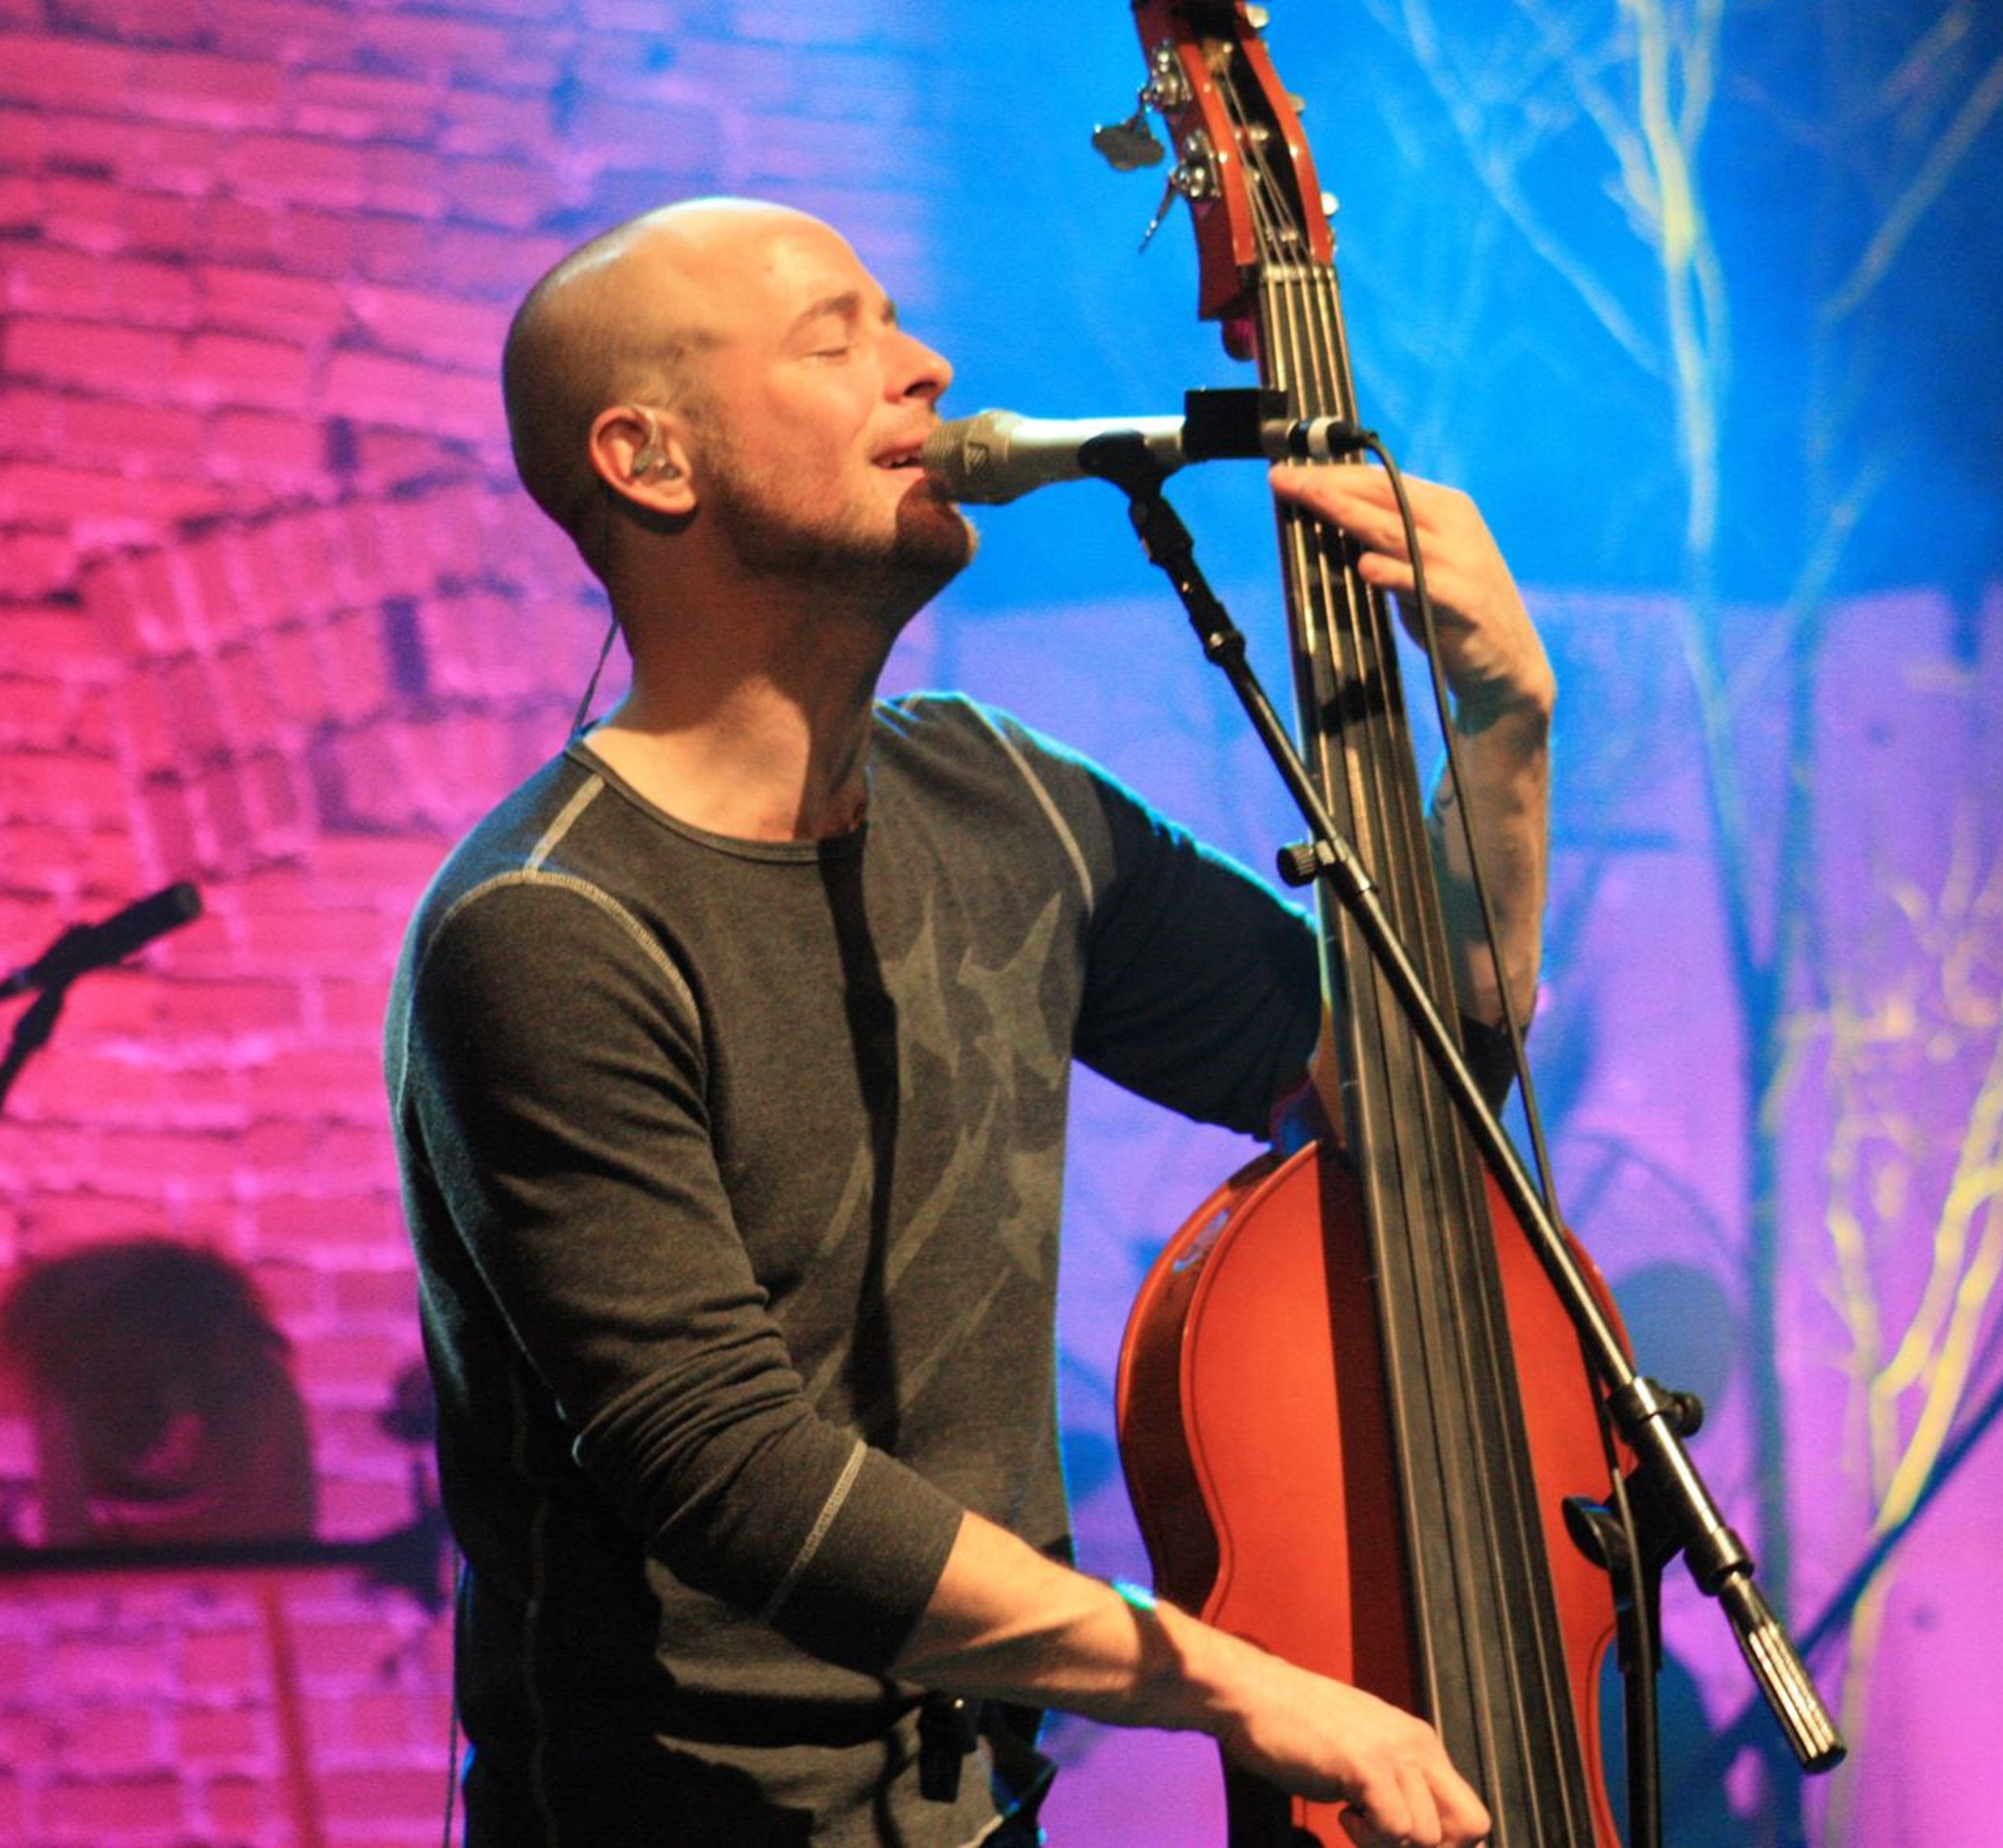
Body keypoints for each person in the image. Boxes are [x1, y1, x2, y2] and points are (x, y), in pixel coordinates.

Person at [385, 196, 1553, 1848]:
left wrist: (1501, 735)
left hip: (972, 1810)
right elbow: (733, 1472)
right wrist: (1239, 1680)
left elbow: (1395, 1087)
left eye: (896, 321)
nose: (924, 365)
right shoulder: (545, 929)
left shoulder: (1000, 796)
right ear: (651, 460)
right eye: (834, 334)